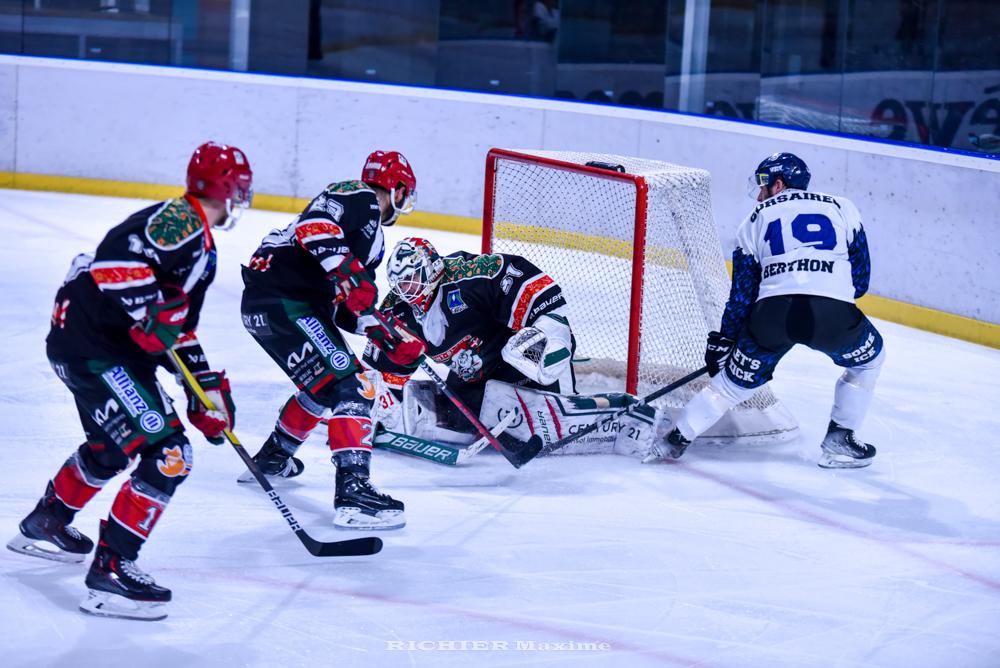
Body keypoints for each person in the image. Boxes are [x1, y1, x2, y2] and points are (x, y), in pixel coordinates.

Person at [7, 142, 252, 620]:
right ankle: (112, 572)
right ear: (229, 188)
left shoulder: (198, 240)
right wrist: (150, 309)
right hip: (97, 352)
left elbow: (176, 331)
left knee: (111, 449)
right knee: (169, 454)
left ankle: (47, 521)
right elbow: (109, 265)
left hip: (88, 346)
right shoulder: (180, 222)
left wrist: (203, 388)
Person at [645, 152, 885, 469]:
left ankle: (672, 442)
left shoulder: (754, 219)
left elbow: (742, 295)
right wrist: (827, 293)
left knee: (729, 386)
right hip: (832, 313)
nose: (759, 195)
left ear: (779, 184)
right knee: (869, 361)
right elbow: (861, 280)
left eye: (763, 185)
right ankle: (840, 436)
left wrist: (725, 340)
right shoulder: (842, 207)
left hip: (773, 315)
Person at [240, 151, 423, 530]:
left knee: (324, 386)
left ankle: (275, 456)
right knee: (353, 386)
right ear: (397, 189)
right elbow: (314, 226)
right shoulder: (359, 196)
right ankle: (354, 492)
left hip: (273, 306)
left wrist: (386, 333)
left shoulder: (372, 242)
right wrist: (347, 273)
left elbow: (345, 309)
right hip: (286, 301)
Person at [361, 237, 576, 446]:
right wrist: (373, 407)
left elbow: (533, 288)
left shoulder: (469, 274)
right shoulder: (397, 312)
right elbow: (377, 372)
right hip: (475, 379)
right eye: (400, 283)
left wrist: (549, 332)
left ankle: (565, 400)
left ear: (431, 268)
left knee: (522, 352)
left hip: (515, 369)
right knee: (452, 419)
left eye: (412, 279)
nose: (406, 290)